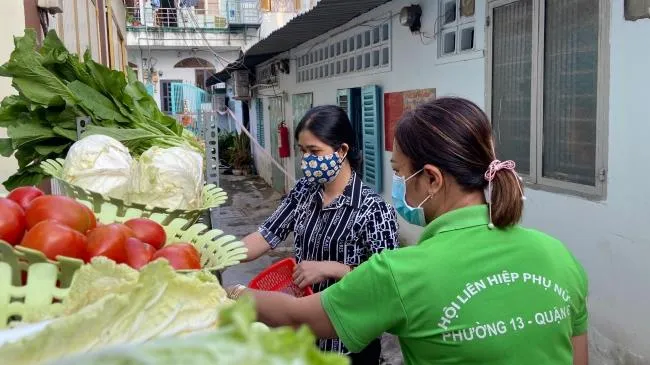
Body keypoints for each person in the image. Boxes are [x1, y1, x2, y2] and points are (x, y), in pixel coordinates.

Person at [229, 97, 589, 365]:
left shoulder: (402, 272)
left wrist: (233, 293)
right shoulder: (558, 255)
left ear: (431, 178)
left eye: (401, 174)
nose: (399, 186)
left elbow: (295, 315)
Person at [240, 105, 400, 364]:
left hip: (348, 341)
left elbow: (387, 283)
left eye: (314, 151)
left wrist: (334, 268)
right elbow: (267, 234)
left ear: (343, 150)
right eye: (303, 151)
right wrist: (221, 254)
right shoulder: (305, 191)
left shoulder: (374, 209)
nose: (306, 160)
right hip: (302, 333)